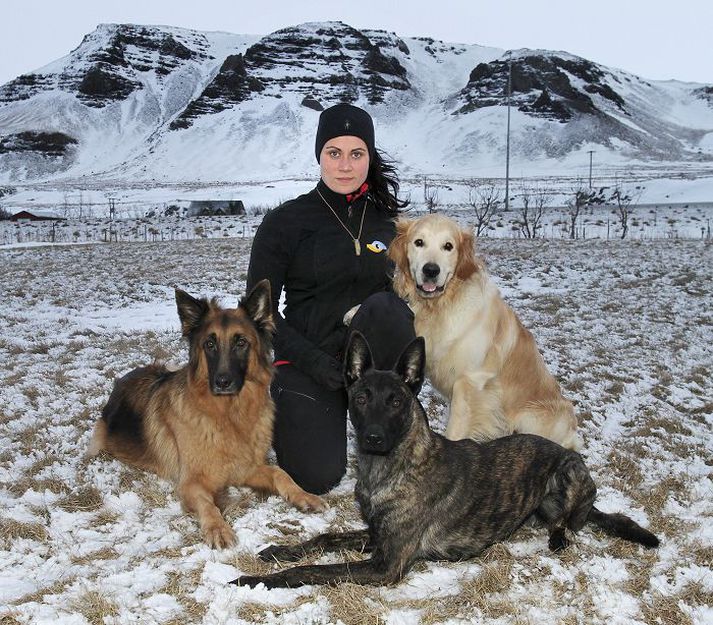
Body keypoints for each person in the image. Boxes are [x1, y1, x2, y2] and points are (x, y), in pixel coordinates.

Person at [246, 103, 415, 495]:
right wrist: (315, 362)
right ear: (319, 155)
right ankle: (319, 415)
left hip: (373, 369)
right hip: (307, 361)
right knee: (317, 477)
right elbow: (259, 312)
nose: (344, 165)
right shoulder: (285, 223)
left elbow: (410, 301)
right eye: (333, 153)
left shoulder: (389, 226)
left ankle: (391, 408)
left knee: (388, 307)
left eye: (356, 154)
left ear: (369, 159)